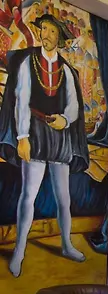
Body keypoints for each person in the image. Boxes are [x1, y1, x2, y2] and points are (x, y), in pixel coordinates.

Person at [0, 14, 89, 277]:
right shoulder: (28, 63)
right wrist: (22, 137)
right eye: (44, 29)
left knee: (64, 197)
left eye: (51, 30)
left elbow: (74, 105)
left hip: (60, 136)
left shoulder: (67, 70)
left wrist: (65, 119)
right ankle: (19, 252)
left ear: (59, 37)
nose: (45, 34)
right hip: (35, 132)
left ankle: (67, 244)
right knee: (28, 195)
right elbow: (21, 100)